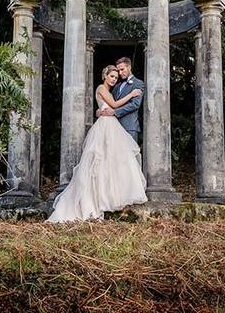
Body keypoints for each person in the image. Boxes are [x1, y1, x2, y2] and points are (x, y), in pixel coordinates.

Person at [46, 65, 148, 223]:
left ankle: (111, 195)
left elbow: (107, 105)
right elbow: (114, 105)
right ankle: (98, 198)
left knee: (112, 161)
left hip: (110, 123)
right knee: (99, 160)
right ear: (105, 76)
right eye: (112, 76)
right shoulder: (101, 87)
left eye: (116, 76)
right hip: (105, 125)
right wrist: (132, 94)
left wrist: (99, 110)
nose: (114, 79)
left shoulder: (109, 89)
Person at [96, 57, 143, 143]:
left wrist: (115, 112)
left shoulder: (138, 83)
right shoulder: (117, 86)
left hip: (129, 126)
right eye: (119, 71)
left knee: (130, 155)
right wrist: (100, 109)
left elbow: (135, 104)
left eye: (122, 69)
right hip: (114, 127)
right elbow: (110, 102)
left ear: (129, 67)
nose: (120, 73)